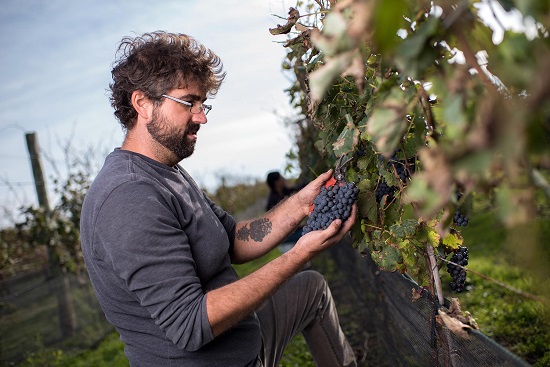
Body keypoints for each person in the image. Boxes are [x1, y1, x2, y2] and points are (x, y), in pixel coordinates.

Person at [80, 31, 357, 367]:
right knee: (304, 274)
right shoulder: (128, 196)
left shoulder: (169, 172)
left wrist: (301, 204)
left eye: (203, 104)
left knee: (311, 289)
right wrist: (300, 254)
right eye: (188, 102)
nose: (202, 117)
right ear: (143, 104)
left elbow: (232, 241)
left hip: (243, 343)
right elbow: (191, 325)